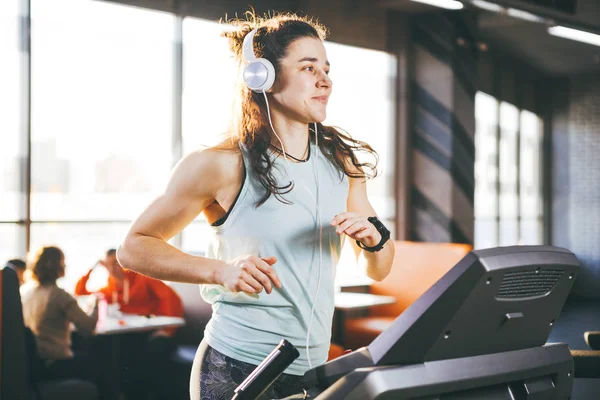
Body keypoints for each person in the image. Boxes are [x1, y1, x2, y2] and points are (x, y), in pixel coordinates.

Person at [117, 11, 395, 400]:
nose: (325, 80)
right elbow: (133, 247)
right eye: (308, 67)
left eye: (327, 69)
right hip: (237, 364)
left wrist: (374, 241)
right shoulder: (220, 162)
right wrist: (218, 271)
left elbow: (379, 269)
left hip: (311, 368)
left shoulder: (342, 162)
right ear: (262, 76)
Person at [20, 246, 109, 400]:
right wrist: (96, 303)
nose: (66, 266)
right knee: (102, 365)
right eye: (63, 262)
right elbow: (88, 327)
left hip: (36, 363)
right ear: (58, 267)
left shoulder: (27, 293)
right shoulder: (60, 296)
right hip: (56, 362)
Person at [75, 248, 184, 327]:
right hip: (129, 330)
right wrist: (91, 269)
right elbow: (80, 293)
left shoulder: (143, 277)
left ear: (123, 262)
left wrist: (168, 330)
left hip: (153, 327)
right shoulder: (110, 289)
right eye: (108, 264)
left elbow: (171, 298)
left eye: (115, 263)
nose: (112, 268)